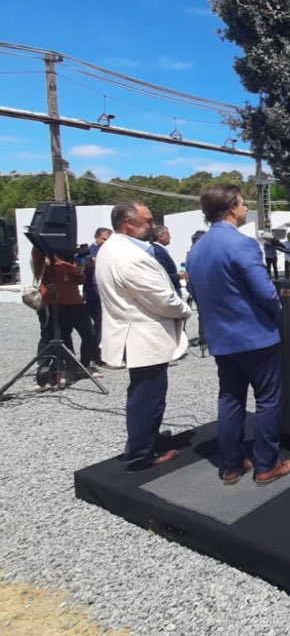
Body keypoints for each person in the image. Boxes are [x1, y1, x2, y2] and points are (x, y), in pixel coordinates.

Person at [186, 185, 290, 486]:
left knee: (231, 399)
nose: (246, 209)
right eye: (244, 204)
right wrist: (275, 313)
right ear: (232, 208)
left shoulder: (197, 249)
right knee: (268, 401)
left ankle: (231, 465)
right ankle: (266, 464)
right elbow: (266, 293)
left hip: (221, 338)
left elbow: (195, 292)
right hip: (255, 336)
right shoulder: (242, 244)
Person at [95, 201, 192, 471]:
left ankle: (145, 439)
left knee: (144, 392)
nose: (152, 225)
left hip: (133, 330)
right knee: (148, 395)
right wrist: (185, 309)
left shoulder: (112, 248)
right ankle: (141, 453)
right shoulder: (130, 256)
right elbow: (159, 298)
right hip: (142, 335)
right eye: (148, 221)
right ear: (128, 223)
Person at [34, 246, 102, 383]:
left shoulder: (69, 263)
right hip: (57, 305)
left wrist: (81, 271)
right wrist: (44, 243)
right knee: (63, 338)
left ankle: (84, 364)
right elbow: (37, 253)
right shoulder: (44, 264)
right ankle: (69, 367)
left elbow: (79, 281)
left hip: (77, 304)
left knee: (89, 335)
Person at [84, 227, 112, 343]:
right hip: (94, 292)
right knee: (99, 322)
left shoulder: (110, 251)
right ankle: (96, 352)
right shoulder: (89, 251)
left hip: (107, 290)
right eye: (104, 239)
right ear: (97, 237)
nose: (106, 242)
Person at [150, 225, 182, 297]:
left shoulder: (159, 250)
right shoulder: (158, 251)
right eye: (168, 235)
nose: (170, 237)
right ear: (161, 237)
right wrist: (180, 276)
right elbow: (165, 275)